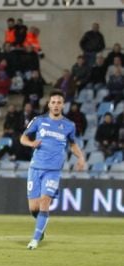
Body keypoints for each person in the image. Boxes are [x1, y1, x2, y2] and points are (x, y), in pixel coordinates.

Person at [20, 90, 85, 250]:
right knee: (33, 208)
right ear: (49, 104)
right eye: (53, 102)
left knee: (44, 202)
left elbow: (72, 144)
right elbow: (23, 138)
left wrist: (81, 157)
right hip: (35, 168)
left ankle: (34, 240)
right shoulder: (38, 121)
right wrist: (31, 143)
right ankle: (41, 227)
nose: (56, 105)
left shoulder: (69, 125)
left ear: (63, 105)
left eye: (59, 102)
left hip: (53, 170)